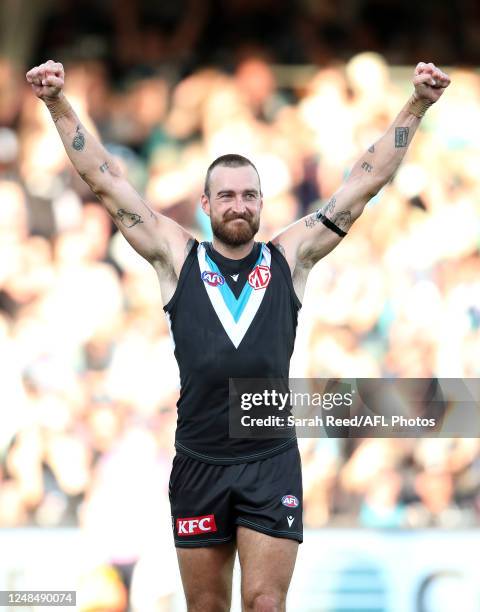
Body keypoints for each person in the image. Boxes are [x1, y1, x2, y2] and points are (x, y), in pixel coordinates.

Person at [26, 59, 450, 612]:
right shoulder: (175, 257)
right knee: (206, 608)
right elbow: (104, 177)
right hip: (198, 458)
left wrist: (416, 104)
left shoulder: (290, 258)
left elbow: (364, 180)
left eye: (249, 195)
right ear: (205, 205)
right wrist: (58, 104)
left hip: (270, 457)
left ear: (261, 203)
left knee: (264, 604)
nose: (238, 205)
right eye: (226, 195)